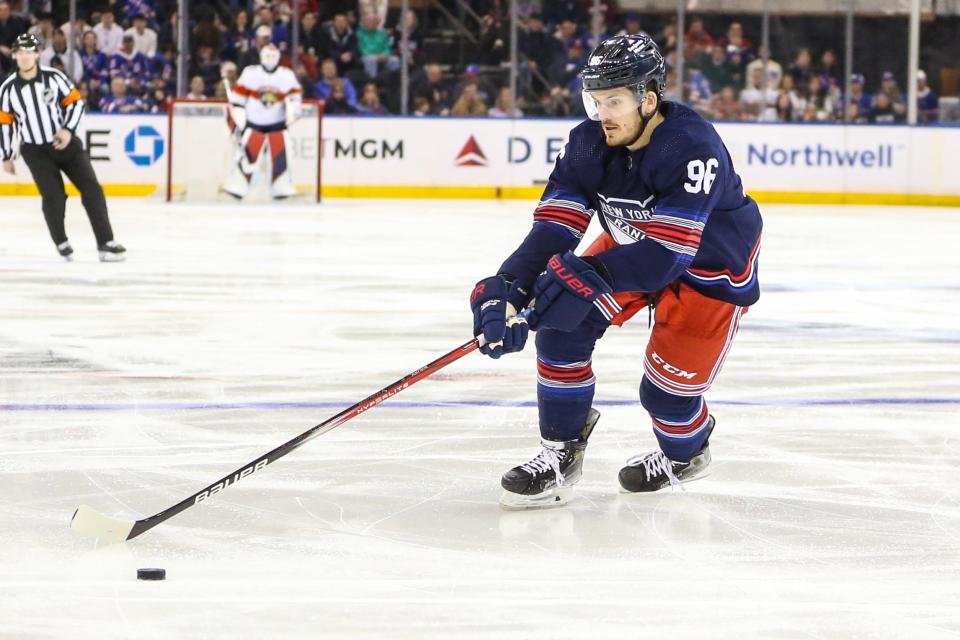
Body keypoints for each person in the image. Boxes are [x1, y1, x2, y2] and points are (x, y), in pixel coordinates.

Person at [468, 34, 762, 508]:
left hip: (709, 268)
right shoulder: (587, 144)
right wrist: (508, 286)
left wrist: (586, 276)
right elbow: (554, 230)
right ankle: (562, 451)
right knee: (562, 327)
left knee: (665, 397)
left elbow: (668, 255)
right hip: (633, 243)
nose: (603, 113)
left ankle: (688, 451)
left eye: (615, 100)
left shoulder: (691, 146)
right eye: (596, 99)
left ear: (648, 98)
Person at [0, 34, 126, 262]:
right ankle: (61, 241)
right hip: (35, 151)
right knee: (54, 196)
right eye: (21, 52)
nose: (26, 57)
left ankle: (105, 242)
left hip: (66, 144)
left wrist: (68, 130)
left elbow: (75, 102)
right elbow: (5, 124)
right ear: (15, 55)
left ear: (37, 54)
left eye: (30, 52)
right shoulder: (8, 89)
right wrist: (6, 155)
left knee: (92, 189)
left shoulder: (54, 77)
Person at [224, 43, 302, 199]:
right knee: (247, 157)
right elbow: (238, 102)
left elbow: (295, 99)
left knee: (281, 156)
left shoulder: (287, 75)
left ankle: (281, 186)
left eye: (273, 56)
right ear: (261, 57)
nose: (270, 59)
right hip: (254, 124)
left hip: (278, 125)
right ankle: (237, 185)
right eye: (267, 56)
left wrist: (293, 112)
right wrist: (238, 122)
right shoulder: (250, 73)